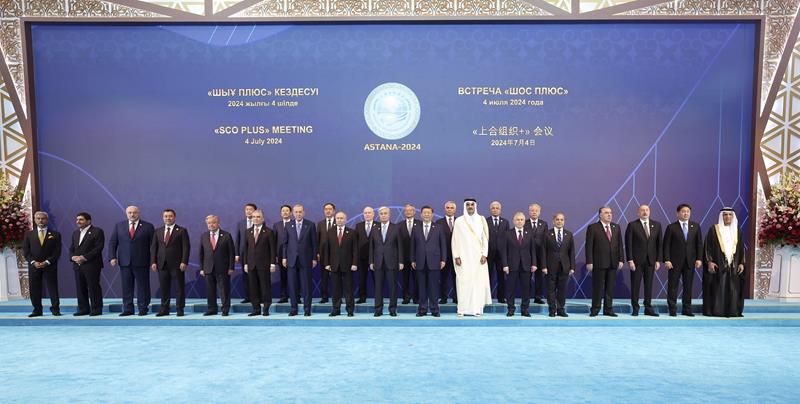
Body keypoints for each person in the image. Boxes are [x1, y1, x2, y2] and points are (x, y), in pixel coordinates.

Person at [109, 205, 154, 316]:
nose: (132, 215)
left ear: (138, 213)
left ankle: (143, 308)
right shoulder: (119, 226)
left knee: (143, 286)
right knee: (126, 287)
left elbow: (153, 246)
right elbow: (113, 242)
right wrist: (112, 257)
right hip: (125, 261)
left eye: (134, 212)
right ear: (126, 213)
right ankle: (128, 309)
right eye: (130, 212)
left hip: (142, 261)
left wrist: (153, 260)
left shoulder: (148, 226)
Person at [451, 199, 492, 317]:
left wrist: (484, 254)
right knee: (463, 283)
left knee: (477, 283)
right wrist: (456, 256)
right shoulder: (459, 221)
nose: (470, 206)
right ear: (465, 206)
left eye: (472, 204)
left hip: (478, 258)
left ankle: (477, 309)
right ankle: (462, 309)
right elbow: (454, 239)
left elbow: (485, 239)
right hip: (463, 258)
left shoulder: (481, 219)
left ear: (475, 206)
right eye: (468, 204)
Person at [704, 208, 746, 317]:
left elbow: (741, 248)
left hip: (734, 265)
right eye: (725, 214)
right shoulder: (714, 229)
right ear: (721, 216)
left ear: (733, 217)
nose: (727, 217)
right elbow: (707, 247)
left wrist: (742, 263)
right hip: (718, 264)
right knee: (719, 288)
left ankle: (732, 311)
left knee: (733, 289)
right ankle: (718, 311)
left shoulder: (737, 230)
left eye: (730, 215)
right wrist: (709, 261)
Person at [662, 203, 703, 317]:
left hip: (690, 262)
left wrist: (699, 258)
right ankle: (672, 309)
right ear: (678, 213)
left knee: (688, 287)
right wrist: (667, 260)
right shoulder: (671, 227)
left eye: (688, 212)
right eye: (683, 211)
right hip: (674, 262)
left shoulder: (695, 226)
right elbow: (666, 245)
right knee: (673, 286)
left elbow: (699, 244)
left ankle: (687, 309)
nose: (686, 213)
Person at [150, 209, 190, 316]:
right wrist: (153, 261)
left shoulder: (181, 230)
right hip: (161, 264)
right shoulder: (158, 231)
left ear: (174, 217)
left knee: (179, 288)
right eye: (166, 216)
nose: (168, 218)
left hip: (177, 265)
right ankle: (164, 309)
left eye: (170, 216)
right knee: (164, 288)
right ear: (163, 218)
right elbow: (154, 248)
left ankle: (180, 309)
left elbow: (186, 247)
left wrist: (184, 261)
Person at [585, 206, 624, 317]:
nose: (609, 214)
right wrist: (589, 261)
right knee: (597, 287)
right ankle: (595, 309)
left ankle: (608, 309)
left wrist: (621, 259)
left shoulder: (616, 227)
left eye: (610, 212)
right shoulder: (593, 227)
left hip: (613, 262)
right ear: (600, 215)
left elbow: (620, 245)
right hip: (599, 262)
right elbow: (589, 246)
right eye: (606, 213)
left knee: (610, 288)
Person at [625, 204, 662, 317]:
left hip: (651, 261)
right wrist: (630, 260)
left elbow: (659, 244)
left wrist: (658, 260)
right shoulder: (632, 225)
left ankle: (648, 308)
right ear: (638, 213)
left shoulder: (657, 225)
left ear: (649, 212)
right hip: (636, 261)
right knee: (635, 285)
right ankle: (635, 308)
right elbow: (628, 244)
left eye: (647, 210)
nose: (645, 212)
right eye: (642, 210)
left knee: (649, 285)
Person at [410, 206, 447, 317]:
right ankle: (422, 309)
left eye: (428, 213)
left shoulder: (438, 227)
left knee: (434, 288)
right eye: (424, 213)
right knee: (421, 288)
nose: (426, 214)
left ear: (432, 214)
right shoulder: (416, 228)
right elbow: (413, 245)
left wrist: (443, 259)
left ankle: (435, 309)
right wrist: (412, 259)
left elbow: (443, 245)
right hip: (420, 262)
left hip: (435, 262)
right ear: (421, 215)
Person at [23, 211, 61, 317]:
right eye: (38, 218)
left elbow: (57, 251)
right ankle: (37, 310)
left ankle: (55, 309)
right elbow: (26, 251)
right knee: (34, 288)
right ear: (35, 220)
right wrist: (33, 262)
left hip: (50, 265)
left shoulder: (55, 234)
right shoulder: (29, 234)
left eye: (43, 218)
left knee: (52, 287)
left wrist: (47, 262)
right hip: (34, 266)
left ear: (47, 220)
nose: (40, 220)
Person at [282, 204, 317, 316]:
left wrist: (314, 258)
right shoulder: (288, 225)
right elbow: (285, 243)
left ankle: (307, 309)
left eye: (300, 212)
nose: (298, 214)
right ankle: (294, 309)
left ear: (304, 212)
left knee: (306, 286)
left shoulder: (310, 225)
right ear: (293, 213)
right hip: (291, 260)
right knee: (292, 286)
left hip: (306, 259)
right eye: (296, 212)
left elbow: (314, 243)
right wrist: (284, 257)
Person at [500, 212, 537, 317]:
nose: (519, 221)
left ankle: (525, 310)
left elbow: (533, 250)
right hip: (511, 266)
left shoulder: (529, 233)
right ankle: (511, 309)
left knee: (526, 289)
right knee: (510, 289)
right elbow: (504, 251)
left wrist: (534, 264)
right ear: (514, 221)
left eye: (521, 219)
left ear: (524, 221)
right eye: (517, 219)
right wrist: (505, 265)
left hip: (526, 266)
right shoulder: (507, 233)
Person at [321, 211, 358, 317]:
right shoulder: (330, 232)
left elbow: (355, 250)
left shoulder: (352, 232)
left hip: (348, 265)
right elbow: (326, 249)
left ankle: (350, 310)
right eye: (338, 218)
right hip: (334, 265)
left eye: (341, 218)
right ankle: (336, 309)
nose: (339, 220)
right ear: (335, 219)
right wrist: (327, 263)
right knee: (335, 289)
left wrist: (354, 263)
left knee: (348, 289)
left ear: (345, 220)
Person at [369, 206, 403, 317]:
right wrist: (371, 261)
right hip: (378, 262)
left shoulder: (396, 227)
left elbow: (400, 246)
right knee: (378, 288)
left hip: (392, 262)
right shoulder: (374, 228)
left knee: (393, 287)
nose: (383, 215)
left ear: (389, 214)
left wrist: (401, 261)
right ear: (379, 215)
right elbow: (371, 247)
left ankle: (392, 309)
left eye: (385, 213)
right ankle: (378, 310)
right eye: (381, 214)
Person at [242, 209, 277, 317]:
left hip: (264, 264)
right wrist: (245, 263)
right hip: (251, 265)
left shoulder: (269, 232)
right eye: (254, 217)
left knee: (265, 287)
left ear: (262, 219)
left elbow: (272, 249)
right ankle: (256, 309)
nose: (256, 219)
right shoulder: (248, 232)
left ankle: (266, 308)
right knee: (253, 288)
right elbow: (245, 249)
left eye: (258, 217)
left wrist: (272, 263)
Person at [198, 215, 235, 316]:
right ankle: (212, 309)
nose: (211, 225)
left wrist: (231, 267)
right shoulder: (204, 236)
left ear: (218, 223)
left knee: (224, 290)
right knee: (210, 290)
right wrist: (201, 268)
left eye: (213, 222)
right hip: (208, 268)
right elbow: (201, 253)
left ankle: (225, 309)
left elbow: (231, 253)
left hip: (223, 268)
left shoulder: (226, 235)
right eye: (209, 223)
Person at [69, 212, 105, 316]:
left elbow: (98, 248)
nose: (78, 221)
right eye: (77, 219)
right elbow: (72, 248)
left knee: (93, 287)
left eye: (81, 219)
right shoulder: (75, 233)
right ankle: (83, 309)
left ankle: (96, 309)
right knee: (80, 288)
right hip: (78, 265)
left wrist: (84, 257)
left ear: (88, 221)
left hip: (92, 265)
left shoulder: (97, 231)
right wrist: (73, 257)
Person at [541, 213, 575, 317]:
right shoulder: (547, 234)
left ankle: (561, 309)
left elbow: (571, 252)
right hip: (550, 266)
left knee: (562, 289)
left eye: (561, 220)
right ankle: (552, 310)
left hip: (564, 266)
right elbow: (543, 251)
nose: (559, 221)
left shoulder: (568, 234)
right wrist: (544, 266)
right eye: (557, 219)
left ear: (564, 221)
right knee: (550, 289)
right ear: (553, 221)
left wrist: (572, 267)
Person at [523, 203, 548, 304]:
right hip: (527, 254)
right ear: (529, 212)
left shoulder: (544, 224)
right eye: (532, 210)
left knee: (539, 277)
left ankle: (538, 297)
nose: (534, 212)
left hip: (540, 255)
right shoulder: (524, 223)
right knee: (526, 277)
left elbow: (545, 240)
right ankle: (526, 297)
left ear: (539, 212)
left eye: (536, 210)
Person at [354, 206, 379, 304]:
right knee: (362, 279)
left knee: (377, 279)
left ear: (373, 214)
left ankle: (378, 298)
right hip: (362, 257)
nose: (367, 214)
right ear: (363, 215)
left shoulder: (379, 225)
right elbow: (356, 242)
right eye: (365, 213)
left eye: (369, 213)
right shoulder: (358, 226)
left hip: (375, 257)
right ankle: (362, 297)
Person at [435, 201, 458, 304]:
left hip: (457, 256)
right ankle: (443, 298)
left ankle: (457, 297)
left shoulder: (459, 221)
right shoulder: (438, 222)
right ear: (445, 209)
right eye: (447, 207)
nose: (449, 209)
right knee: (443, 278)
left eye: (451, 208)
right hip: (443, 256)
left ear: (455, 209)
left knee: (457, 278)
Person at [486, 201, 509, 303]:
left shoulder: (505, 222)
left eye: (497, 208)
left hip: (501, 254)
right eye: (493, 208)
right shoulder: (485, 221)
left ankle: (501, 297)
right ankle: (487, 297)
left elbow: (508, 238)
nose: (495, 210)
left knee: (501, 276)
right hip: (488, 253)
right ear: (490, 209)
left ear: (500, 210)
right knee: (488, 276)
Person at [398, 203, 421, 304]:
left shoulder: (420, 224)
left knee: (417, 279)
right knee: (405, 279)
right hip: (404, 257)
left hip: (418, 257)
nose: (408, 212)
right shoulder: (399, 225)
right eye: (406, 210)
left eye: (410, 210)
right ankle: (406, 298)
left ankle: (417, 298)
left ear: (414, 212)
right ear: (404, 212)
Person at [235, 203, 258, 304]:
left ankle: (257, 296)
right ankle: (248, 296)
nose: (248, 211)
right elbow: (237, 239)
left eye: (250, 209)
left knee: (256, 275)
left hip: (256, 253)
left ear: (255, 211)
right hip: (244, 253)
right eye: (246, 209)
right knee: (245, 276)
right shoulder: (241, 223)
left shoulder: (259, 222)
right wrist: (237, 254)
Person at [316, 202, 336, 304]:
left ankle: (337, 297)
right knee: (324, 277)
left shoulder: (339, 221)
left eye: (330, 209)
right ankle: (324, 297)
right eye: (326, 209)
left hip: (336, 255)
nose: (328, 211)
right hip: (323, 255)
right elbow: (317, 240)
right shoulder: (320, 224)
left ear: (334, 211)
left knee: (336, 277)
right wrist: (317, 253)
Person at [273, 204, 293, 303]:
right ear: (281, 213)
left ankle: (296, 297)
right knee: (283, 276)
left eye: (287, 211)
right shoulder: (277, 225)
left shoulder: (295, 224)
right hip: (280, 255)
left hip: (293, 254)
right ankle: (283, 296)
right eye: (283, 211)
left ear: (291, 213)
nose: (285, 212)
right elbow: (274, 241)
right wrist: (275, 255)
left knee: (294, 277)